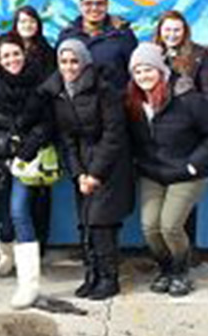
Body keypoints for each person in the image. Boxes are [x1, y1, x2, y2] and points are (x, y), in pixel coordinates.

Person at [126, 43, 208, 297]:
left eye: (148, 70)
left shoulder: (186, 98)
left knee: (170, 226)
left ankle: (181, 272)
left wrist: (194, 164)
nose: (143, 76)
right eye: (137, 72)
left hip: (186, 172)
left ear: (161, 71)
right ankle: (166, 269)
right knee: (150, 227)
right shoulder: (134, 103)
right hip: (152, 172)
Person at [42, 39, 133, 300]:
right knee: (86, 220)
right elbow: (67, 138)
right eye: (64, 61)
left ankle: (109, 277)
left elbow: (114, 134)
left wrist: (95, 174)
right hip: (82, 162)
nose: (69, 67)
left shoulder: (103, 90)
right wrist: (78, 173)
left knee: (101, 220)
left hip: (110, 162)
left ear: (85, 63)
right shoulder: (58, 91)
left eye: (74, 61)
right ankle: (91, 273)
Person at [0, 33, 53, 308]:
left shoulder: (41, 80)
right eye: (6, 56)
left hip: (29, 160)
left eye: (16, 53)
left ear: (24, 53)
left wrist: (28, 145)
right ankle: (6, 252)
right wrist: (5, 144)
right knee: (4, 221)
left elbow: (48, 121)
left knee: (20, 211)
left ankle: (29, 284)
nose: (12, 60)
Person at [7, 6, 57, 256]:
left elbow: (49, 96)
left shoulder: (47, 52)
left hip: (41, 134)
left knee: (41, 193)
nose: (27, 25)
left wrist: (36, 136)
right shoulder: (5, 50)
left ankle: (40, 244)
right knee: (16, 199)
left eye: (31, 20)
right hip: (12, 136)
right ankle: (13, 244)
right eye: (22, 21)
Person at [57, 0, 138, 90]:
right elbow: (58, 73)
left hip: (113, 103)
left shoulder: (123, 35)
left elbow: (135, 72)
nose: (94, 8)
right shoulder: (67, 35)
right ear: (81, 6)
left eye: (99, 3)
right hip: (76, 104)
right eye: (88, 3)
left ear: (107, 5)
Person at [152, 10, 208, 102]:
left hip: (188, 111)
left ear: (184, 31)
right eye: (167, 30)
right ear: (160, 31)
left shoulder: (198, 54)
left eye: (177, 30)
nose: (172, 35)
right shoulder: (151, 53)